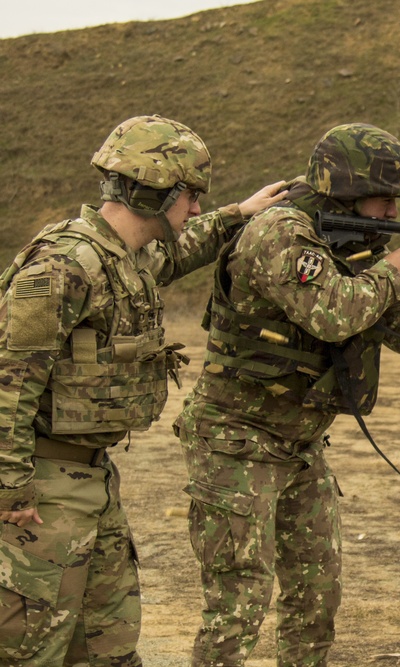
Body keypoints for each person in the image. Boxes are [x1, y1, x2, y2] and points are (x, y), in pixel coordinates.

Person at [174, 122, 400, 667]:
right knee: (238, 606)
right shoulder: (279, 232)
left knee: (316, 597)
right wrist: (396, 269)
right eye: (382, 200)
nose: (389, 212)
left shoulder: (357, 242)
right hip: (236, 438)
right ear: (346, 190)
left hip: (301, 444)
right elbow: (333, 316)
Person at [0, 114, 286, 666]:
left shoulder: (124, 258)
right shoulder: (64, 265)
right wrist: (11, 488)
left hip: (91, 482)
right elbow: (8, 380)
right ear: (152, 192)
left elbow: (180, 251)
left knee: (108, 649)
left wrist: (241, 214)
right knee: (31, 650)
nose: (196, 209)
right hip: (43, 491)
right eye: (190, 196)